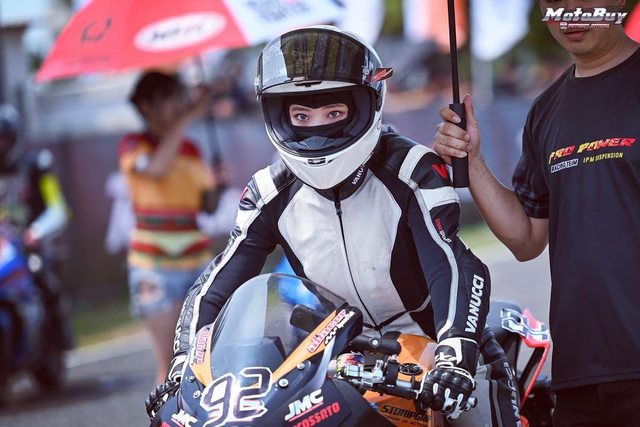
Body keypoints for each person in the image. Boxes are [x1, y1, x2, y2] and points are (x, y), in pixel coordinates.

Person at [152, 26, 521, 424]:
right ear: (278, 115)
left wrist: (456, 353)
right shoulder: (267, 192)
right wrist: (182, 368)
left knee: (471, 409)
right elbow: (218, 284)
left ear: (366, 103)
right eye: (301, 115)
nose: (317, 128)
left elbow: (452, 265)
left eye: (334, 112)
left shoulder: (414, 170)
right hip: (334, 362)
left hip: (438, 350)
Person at [433, 0, 640, 424]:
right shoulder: (546, 110)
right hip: (578, 377)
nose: (570, 11)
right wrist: (473, 161)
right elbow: (527, 239)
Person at [121, 71, 223, 385]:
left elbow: (208, 207)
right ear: (146, 105)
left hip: (198, 260)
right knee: (170, 368)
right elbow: (157, 169)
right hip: (154, 265)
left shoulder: (191, 149)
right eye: (170, 97)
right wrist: (189, 115)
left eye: (180, 95)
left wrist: (218, 184)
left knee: (210, 360)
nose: (179, 103)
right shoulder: (133, 145)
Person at [0, 102, 72, 348]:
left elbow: (58, 208)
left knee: (44, 281)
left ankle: (57, 339)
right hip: (3, 251)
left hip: (31, 248)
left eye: (4, 140)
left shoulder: (36, 166)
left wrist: (37, 232)